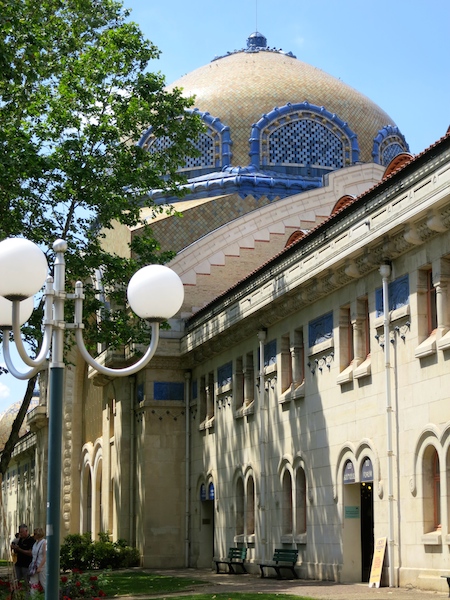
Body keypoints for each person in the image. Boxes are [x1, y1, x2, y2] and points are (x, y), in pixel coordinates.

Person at [10, 524, 35, 591]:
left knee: (27, 583)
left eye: (22, 532)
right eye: (20, 532)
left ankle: (29, 596)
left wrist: (19, 549)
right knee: (14, 580)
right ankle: (14, 594)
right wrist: (14, 548)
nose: (20, 534)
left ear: (26, 531)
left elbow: (31, 553)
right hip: (18, 563)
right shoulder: (20, 539)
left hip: (26, 565)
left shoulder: (31, 540)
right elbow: (17, 550)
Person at [28, 527, 46, 596]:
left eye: (35, 534)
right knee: (33, 583)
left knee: (44, 583)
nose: (34, 536)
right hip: (34, 566)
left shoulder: (44, 543)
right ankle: (33, 597)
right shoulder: (35, 543)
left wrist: (40, 567)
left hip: (42, 567)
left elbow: (45, 556)